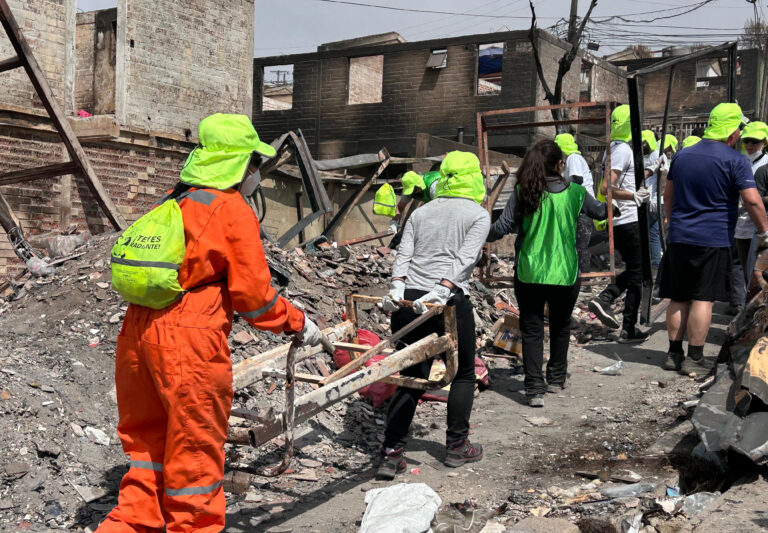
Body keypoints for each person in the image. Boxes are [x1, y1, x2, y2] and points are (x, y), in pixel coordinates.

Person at [97, 114, 329, 532]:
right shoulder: (231, 210)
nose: (256, 173)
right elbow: (255, 301)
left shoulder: (176, 199)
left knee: (146, 451)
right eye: (254, 164)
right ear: (240, 164)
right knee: (195, 458)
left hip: (136, 333)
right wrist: (298, 323)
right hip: (188, 343)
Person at [377, 151, 490, 478]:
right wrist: (442, 289)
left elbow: (403, 255)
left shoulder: (421, 212)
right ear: (474, 177)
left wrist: (397, 286)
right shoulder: (478, 215)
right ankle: (456, 447)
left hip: (409, 301)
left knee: (411, 375)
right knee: (464, 373)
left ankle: (391, 452)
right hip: (448, 301)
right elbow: (466, 259)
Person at [487, 140, 615, 407]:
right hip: (565, 273)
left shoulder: (524, 190)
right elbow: (603, 212)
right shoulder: (576, 193)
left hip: (529, 272)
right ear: (560, 165)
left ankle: (534, 388)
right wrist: (623, 199)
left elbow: (501, 227)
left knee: (531, 329)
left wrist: (475, 229)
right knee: (560, 325)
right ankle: (556, 378)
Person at [660, 103, 768, 372]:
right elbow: (753, 202)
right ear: (732, 132)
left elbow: (667, 196)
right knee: (703, 299)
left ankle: (673, 355)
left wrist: (676, 225)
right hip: (713, 239)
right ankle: (695, 358)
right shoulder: (736, 160)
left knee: (678, 297)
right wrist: (765, 231)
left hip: (680, 237)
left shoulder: (683, 156)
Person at [588, 105, 651, 343]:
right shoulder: (623, 149)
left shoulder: (612, 148)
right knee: (637, 273)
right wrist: (633, 197)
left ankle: (607, 298)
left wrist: (650, 171)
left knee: (638, 269)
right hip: (628, 219)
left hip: (621, 220)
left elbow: (624, 178)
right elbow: (607, 188)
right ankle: (627, 326)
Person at [731, 121, 768, 311]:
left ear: (764, 142)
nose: (750, 145)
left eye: (755, 141)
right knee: (742, 268)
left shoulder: (765, 165)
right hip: (741, 224)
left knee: (757, 272)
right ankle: (741, 306)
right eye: (747, 141)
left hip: (759, 226)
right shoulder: (740, 161)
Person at [555, 133, 595, 282]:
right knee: (575, 244)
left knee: (580, 245)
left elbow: (577, 179)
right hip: (577, 207)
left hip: (582, 207)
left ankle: (585, 280)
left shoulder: (573, 158)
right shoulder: (569, 160)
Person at [645, 133, 678, 278]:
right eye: (670, 147)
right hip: (657, 200)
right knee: (654, 235)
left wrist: (657, 199)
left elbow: (662, 178)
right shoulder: (659, 154)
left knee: (653, 234)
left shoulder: (656, 153)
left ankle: (655, 267)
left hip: (654, 200)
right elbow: (663, 178)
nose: (670, 151)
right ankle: (656, 267)